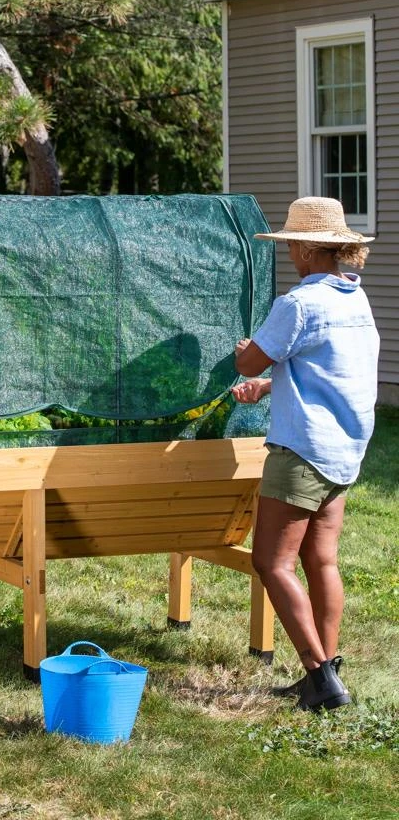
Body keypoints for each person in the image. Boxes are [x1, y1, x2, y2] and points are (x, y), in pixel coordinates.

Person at [231, 196, 379, 712]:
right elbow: (328, 371)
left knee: (272, 563)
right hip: (344, 450)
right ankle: (327, 668)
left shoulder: (298, 303)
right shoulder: (354, 299)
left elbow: (249, 361)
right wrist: (274, 388)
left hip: (301, 452)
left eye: (293, 243)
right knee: (322, 561)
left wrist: (243, 353)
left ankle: (320, 680)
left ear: (304, 248)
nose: (290, 250)